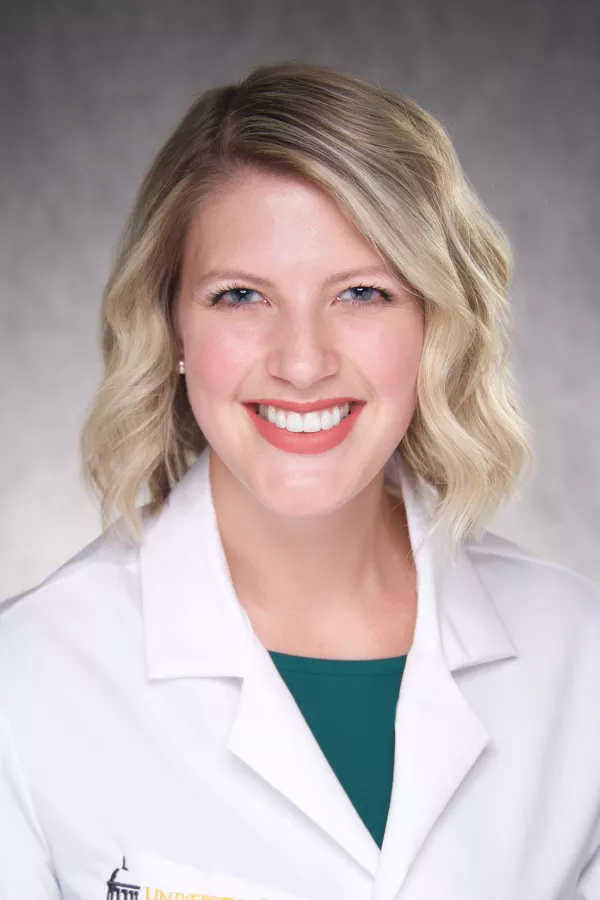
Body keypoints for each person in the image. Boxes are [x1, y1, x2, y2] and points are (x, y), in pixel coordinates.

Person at [0, 61, 599, 900]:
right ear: (170, 326)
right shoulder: (28, 678)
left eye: (362, 293)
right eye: (241, 296)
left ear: (437, 324)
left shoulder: (577, 655)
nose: (304, 362)